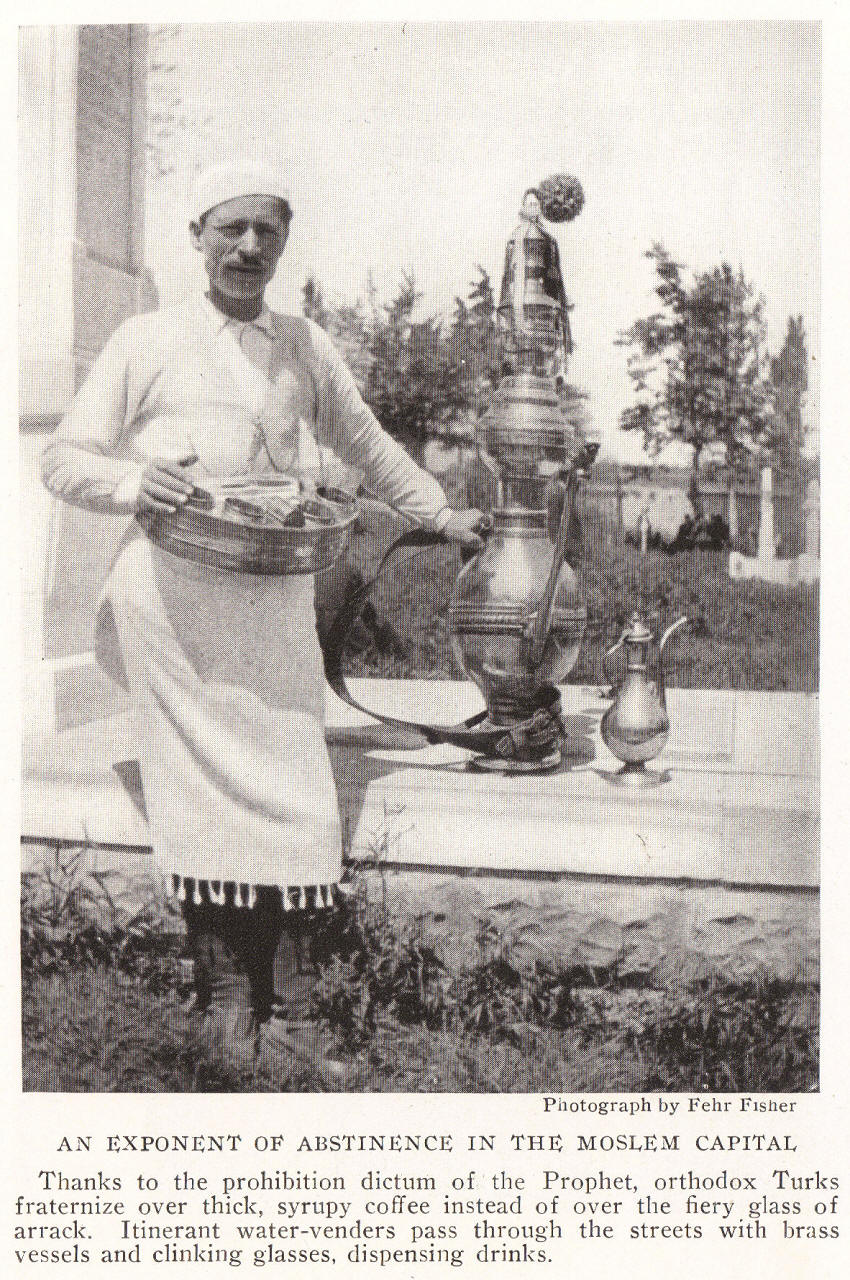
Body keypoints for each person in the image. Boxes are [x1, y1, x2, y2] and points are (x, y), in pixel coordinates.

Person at [42, 162, 483, 1083]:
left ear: (283, 243)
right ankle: (229, 997)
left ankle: (298, 1005)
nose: (250, 249)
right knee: (201, 788)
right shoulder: (145, 337)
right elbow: (64, 458)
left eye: (268, 233)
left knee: (295, 778)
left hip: (277, 586)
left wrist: (440, 514)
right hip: (170, 594)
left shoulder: (303, 344)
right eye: (232, 229)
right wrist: (134, 480)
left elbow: (364, 442)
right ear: (197, 234)